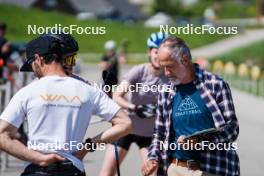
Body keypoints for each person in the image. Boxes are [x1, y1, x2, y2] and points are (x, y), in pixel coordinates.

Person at [0, 34, 132, 176]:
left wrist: (39, 158)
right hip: (73, 168)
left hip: (36, 170)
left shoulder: (27, 92)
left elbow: (2, 135)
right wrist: (88, 146)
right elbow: (125, 124)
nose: (33, 70)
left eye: (31, 65)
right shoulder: (89, 90)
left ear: (38, 59)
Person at [142, 36, 240, 176]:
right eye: (163, 67)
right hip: (175, 169)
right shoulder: (165, 92)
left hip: (212, 169)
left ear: (185, 59)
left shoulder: (215, 85)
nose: (166, 73)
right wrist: (152, 158)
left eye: (170, 66)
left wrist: (201, 142)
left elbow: (232, 129)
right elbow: (159, 133)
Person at [100, 32, 169, 176]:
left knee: (152, 172)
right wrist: (135, 108)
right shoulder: (139, 71)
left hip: (149, 134)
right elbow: (117, 95)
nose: (159, 56)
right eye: (156, 51)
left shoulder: (169, 77)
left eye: (162, 53)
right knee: (107, 173)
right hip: (126, 128)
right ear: (149, 52)